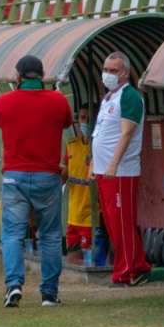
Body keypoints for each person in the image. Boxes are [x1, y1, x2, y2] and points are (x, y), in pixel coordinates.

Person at [0, 55, 72, 308]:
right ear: (42, 75)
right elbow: (67, 121)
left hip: (15, 176)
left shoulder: (4, 101)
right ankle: (49, 293)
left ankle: (13, 285)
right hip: (48, 176)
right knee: (50, 235)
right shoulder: (58, 101)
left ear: (18, 77)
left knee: (13, 234)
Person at [91, 51, 151, 287]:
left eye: (113, 71)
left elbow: (127, 133)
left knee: (122, 222)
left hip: (121, 172)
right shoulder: (109, 98)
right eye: (105, 70)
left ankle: (131, 270)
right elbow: (100, 132)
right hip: (105, 171)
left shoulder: (130, 96)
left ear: (125, 72)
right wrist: (96, 163)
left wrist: (114, 163)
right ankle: (130, 265)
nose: (108, 75)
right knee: (113, 223)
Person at [62, 103, 96, 264]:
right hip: (72, 215)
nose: (85, 122)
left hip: (91, 216)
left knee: (90, 260)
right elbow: (63, 175)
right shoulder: (71, 146)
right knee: (72, 261)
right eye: (83, 118)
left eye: (89, 118)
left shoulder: (98, 146)